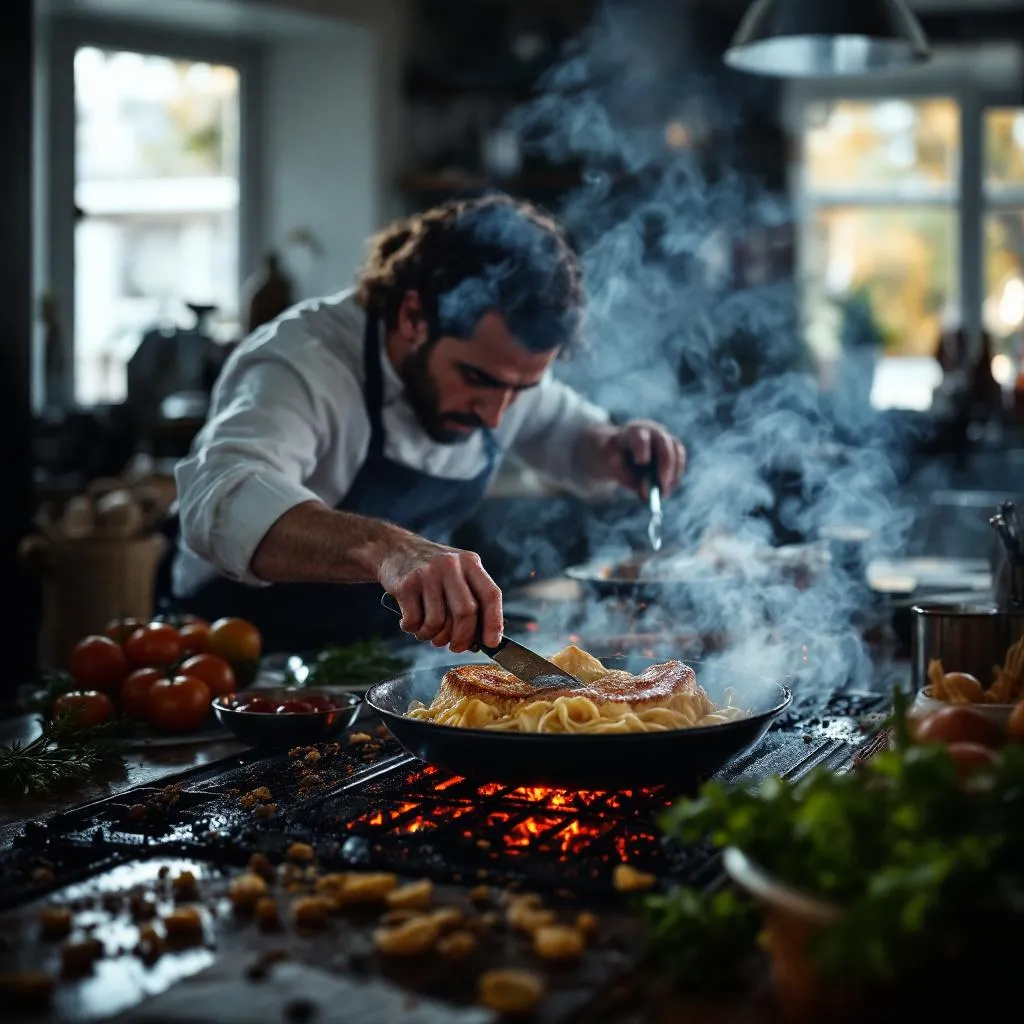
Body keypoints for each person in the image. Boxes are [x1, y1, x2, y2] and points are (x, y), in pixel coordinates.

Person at [169, 195, 687, 654]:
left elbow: (568, 434)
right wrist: (388, 549)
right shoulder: (303, 361)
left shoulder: (498, 371)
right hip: (234, 660)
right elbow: (222, 499)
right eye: (476, 379)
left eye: (521, 389)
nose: (496, 414)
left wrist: (613, 446)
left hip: (371, 657)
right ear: (413, 317)